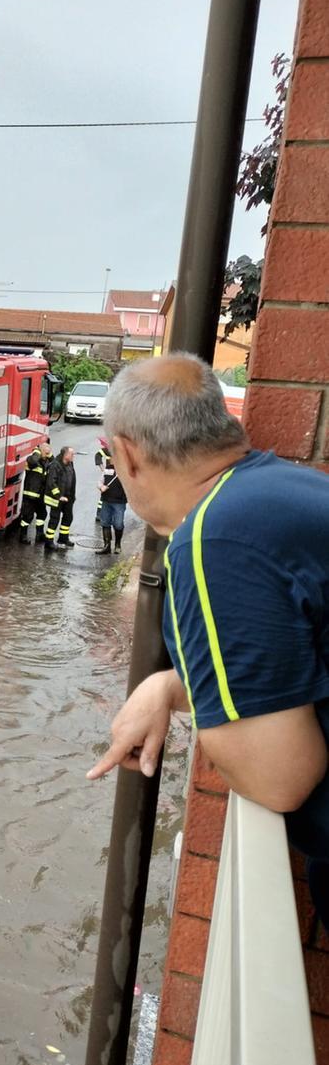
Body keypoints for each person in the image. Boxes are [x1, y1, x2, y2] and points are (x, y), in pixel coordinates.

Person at [86, 355, 329, 920]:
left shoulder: (214, 541)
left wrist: (213, 720)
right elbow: (290, 660)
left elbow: (278, 778)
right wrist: (172, 685)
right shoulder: (280, 489)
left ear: (125, 453)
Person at [95, 438, 128, 556]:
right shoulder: (108, 469)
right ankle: (106, 546)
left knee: (118, 524)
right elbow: (99, 481)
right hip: (106, 501)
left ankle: (118, 545)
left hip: (119, 502)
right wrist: (101, 486)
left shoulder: (125, 471)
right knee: (105, 523)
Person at [43, 445, 76, 551]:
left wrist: (72, 496)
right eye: (72, 454)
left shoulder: (70, 464)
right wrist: (59, 496)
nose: (73, 456)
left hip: (68, 497)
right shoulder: (55, 465)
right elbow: (51, 483)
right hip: (57, 499)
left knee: (68, 517)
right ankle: (49, 541)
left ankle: (63, 539)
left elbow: (72, 479)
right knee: (54, 520)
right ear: (65, 455)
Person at [19, 439, 52, 544]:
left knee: (42, 515)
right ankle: (23, 536)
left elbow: (55, 463)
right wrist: (37, 451)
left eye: (48, 453)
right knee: (27, 516)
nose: (47, 455)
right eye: (45, 453)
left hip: (41, 495)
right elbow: (33, 461)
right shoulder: (32, 460)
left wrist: (49, 454)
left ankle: (39, 535)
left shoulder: (46, 462)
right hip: (30, 495)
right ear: (40, 451)